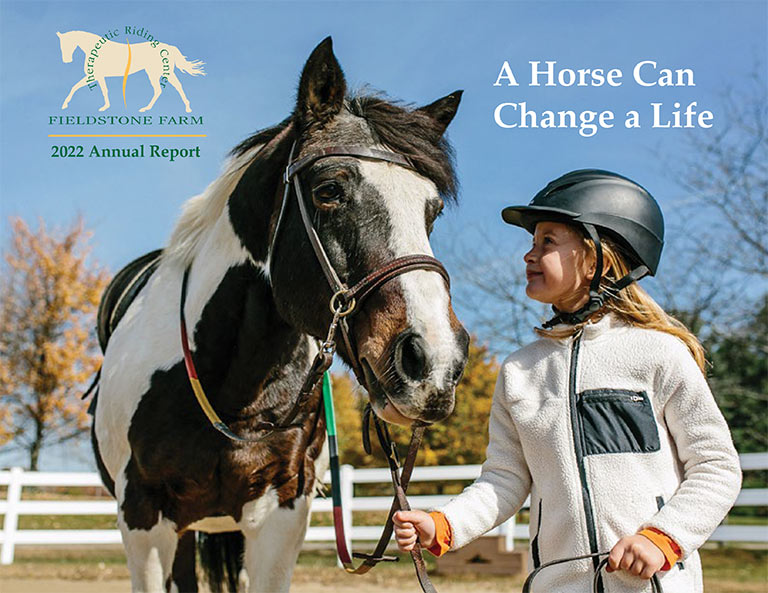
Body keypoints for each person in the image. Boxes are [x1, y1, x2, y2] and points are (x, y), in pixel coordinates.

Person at [393, 170, 742, 592]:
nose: (529, 255)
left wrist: (664, 538)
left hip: (653, 586)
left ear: (596, 257)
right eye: (531, 242)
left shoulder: (658, 354)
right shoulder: (520, 371)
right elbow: (504, 480)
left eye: (548, 242)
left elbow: (716, 467)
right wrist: (444, 524)